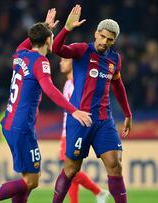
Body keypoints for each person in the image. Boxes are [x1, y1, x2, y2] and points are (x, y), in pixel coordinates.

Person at [0, 9, 92, 203]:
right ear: (49, 41)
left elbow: (31, 39)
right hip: (22, 126)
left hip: (10, 122)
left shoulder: (20, 54)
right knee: (32, 181)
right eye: (51, 38)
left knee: (27, 178)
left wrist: (45, 26)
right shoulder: (41, 62)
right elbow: (49, 89)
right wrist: (73, 110)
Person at [51, 5, 132, 203]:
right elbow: (56, 49)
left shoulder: (114, 59)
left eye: (110, 39)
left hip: (104, 120)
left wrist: (128, 114)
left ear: (114, 40)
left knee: (115, 165)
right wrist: (67, 28)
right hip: (80, 119)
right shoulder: (81, 50)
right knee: (71, 170)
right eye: (102, 36)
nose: (105, 42)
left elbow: (118, 85)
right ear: (96, 33)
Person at [59, 58, 110, 203]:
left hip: (74, 132)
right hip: (66, 131)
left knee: (69, 169)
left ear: (73, 64)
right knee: (71, 172)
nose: (61, 62)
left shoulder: (77, 83)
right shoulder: (68, 83)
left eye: (65, 60)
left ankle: (99, 192)